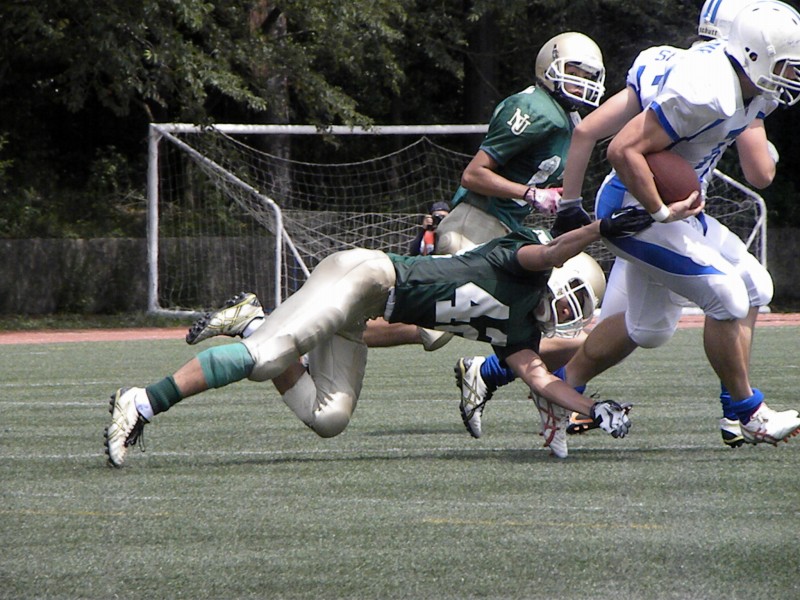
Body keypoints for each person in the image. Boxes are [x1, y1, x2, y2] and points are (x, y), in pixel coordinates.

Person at [454, 0, 800, 453]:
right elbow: (621, 148)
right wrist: (653, 210)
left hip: (675, 211)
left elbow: (588, 132)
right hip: (639, 210)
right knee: (728, 296)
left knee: (664, 322)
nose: (792, 74)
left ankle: (535, 383)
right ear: (752, 49)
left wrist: (576, 203)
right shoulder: (706, 86)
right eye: (786, 63)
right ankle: (746, 412)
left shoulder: (731, 81)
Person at [103, 208, 653, 468]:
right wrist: (600, 230)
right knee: (267, 358)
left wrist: (593, 409)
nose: (564, 311)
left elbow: (539, 379)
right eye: (570, 297)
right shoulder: (522, 262)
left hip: (360, 314)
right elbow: (551, 250)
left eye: (575, 309)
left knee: (329, 417)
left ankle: (252, 321)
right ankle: (143, 401)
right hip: (364, 277)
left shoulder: (520, 332)